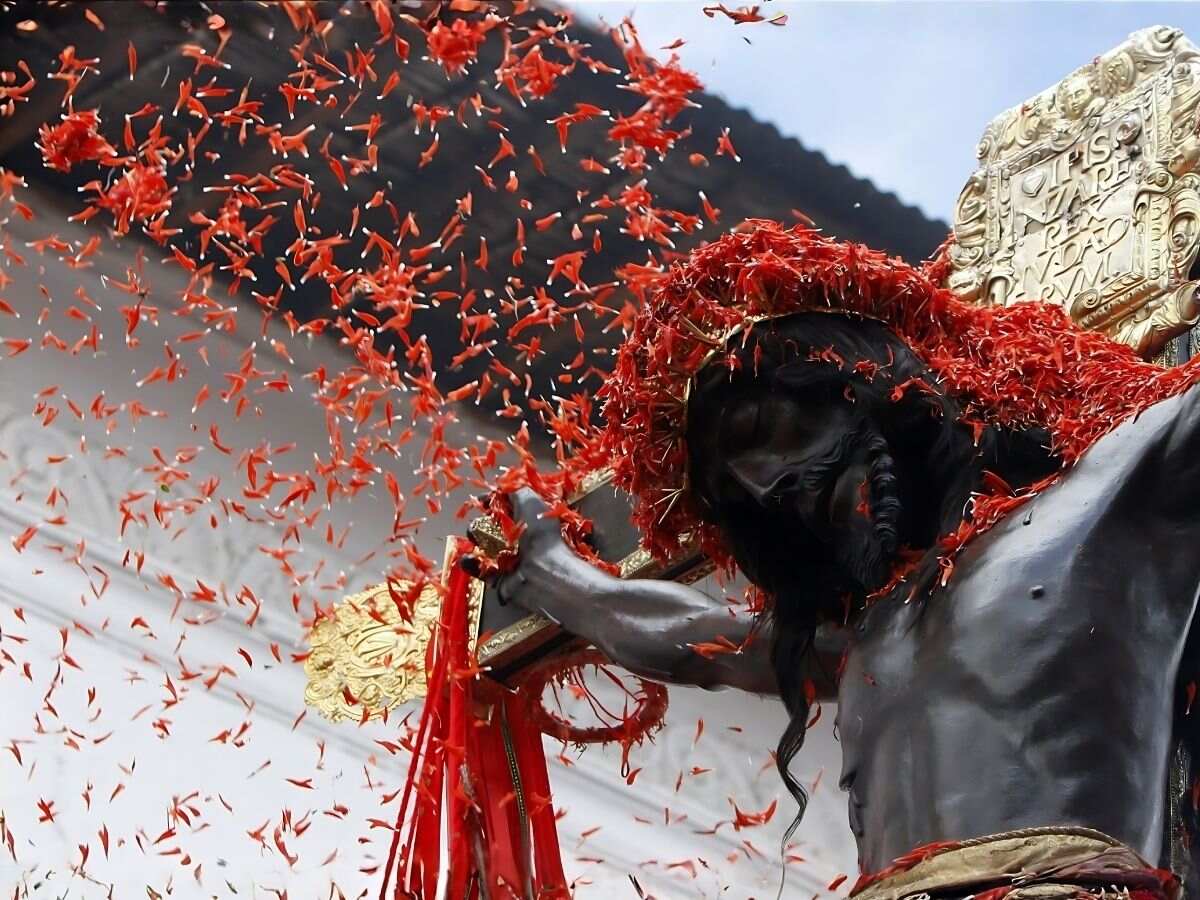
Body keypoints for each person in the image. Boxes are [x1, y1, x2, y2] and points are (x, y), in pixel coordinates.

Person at [481, 221, 1200, 900]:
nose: (770, 486)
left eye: (761, 429)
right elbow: (691, 640)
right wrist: (547, 571)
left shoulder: (1112, 499)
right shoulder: (875, 635)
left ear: (859, 377)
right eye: (742, 490)